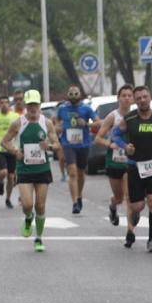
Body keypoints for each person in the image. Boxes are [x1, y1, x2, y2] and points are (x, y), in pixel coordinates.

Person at [114, 85, 152, 252]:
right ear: (135, 100)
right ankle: (134, 217)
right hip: (134, 166)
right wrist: (125, 146)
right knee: (138, 206)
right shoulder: (129, 119)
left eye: (145, 97)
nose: (142, 100)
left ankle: (151, 240)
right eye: (139, 98)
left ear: (150, 98)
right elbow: (116, 135)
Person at [1, 90, 59, 253]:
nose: (33, 108)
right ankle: (28, 218)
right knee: (27, 204)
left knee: (40, 206)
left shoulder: (46, 123)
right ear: (26, 106)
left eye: (35, 104)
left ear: (39, 105)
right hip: (25, 169)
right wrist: (15, 152)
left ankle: (39, 238)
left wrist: (49, 146)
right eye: (30, 105)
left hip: (42, 169)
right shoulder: (18, 123)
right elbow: (4, 141)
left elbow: (57, 144)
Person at [94, 85, 134, 225]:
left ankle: (130, 232)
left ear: (133, 99)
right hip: (114, 160)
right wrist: (109, 144)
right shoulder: (113, 117)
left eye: (129, 95)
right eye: (124, 95)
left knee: (129, 197)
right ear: (118, 98)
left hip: (130, 162)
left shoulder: (136, 116)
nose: (127, 98)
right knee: (119, 198)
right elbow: (98, 138)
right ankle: (113, 206)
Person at [54, 85, 97, 214]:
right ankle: (74, 203)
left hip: (83, 144)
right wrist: (58, 127)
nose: (73, 95)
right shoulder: (62, 109)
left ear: (80, 94)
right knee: (72, 172)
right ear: (67, 94)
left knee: (81, 173)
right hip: (68, 144)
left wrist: (87, 124)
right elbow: (56, 123)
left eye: (76, 93)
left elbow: (99, 122)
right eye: (71, 93)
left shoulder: (86, 108)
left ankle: (79, 195)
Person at [0, 95, 22, 208]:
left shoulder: (15, 116)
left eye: (6, 102)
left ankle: (8, 198)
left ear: (9, 104)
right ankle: (1, 182)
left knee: (11, 177)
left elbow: (20, 131)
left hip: (12, 148)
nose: (4, 105)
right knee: (3, 173)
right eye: (1, 102)